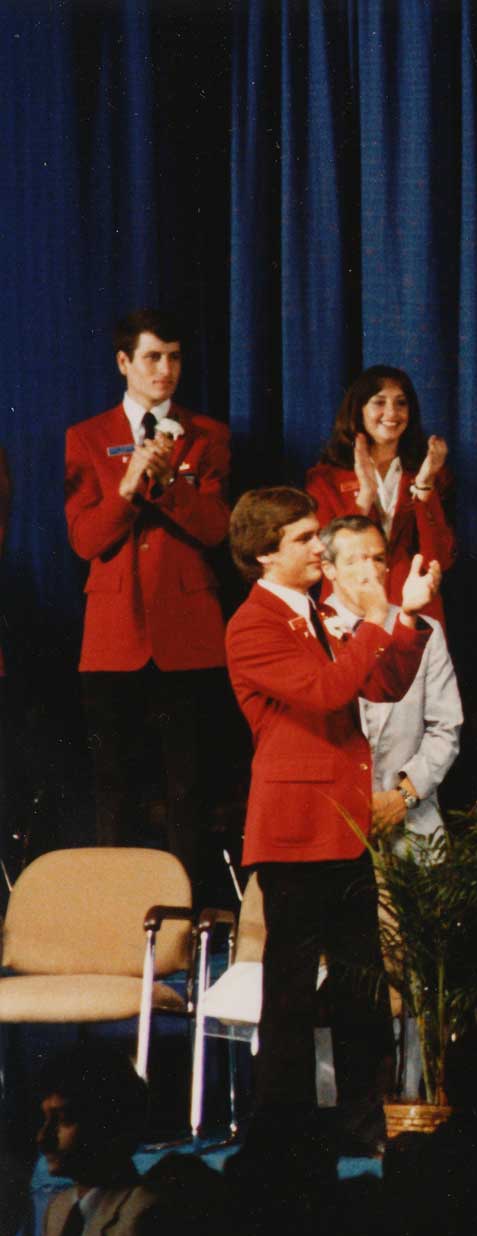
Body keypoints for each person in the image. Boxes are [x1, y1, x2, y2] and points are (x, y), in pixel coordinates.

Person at [224, 487, 437, 1151]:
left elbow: (384, 685)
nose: (320, 548)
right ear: (264, 555)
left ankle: (359, 1121)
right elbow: (326, 692)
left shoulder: (315, 615)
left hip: (342, 824)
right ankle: (281, 1134)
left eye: (318, 534)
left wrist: (402, 615)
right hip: (292, 827)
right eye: (304, 539)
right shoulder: (252, 625)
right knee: (289, 991)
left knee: (361, 986)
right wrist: (374, 619)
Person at [64, 308, 230, 885]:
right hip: (115, 640)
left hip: (189, 637)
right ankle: (116, 920)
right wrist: (129, 489)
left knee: (189, 789)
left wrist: (163, 489)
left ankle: (184, 918)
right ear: (124, 362)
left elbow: (215, 529)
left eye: (175, 357)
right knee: (115, 788)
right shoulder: (86, 438)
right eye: (154, 357)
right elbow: (86, 540)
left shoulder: (209, 436)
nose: (166, 369)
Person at [32, 1043, 198, 1236]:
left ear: (109, 1122)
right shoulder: (59, 1210)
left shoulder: (145, 1216)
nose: (43, 1137)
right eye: (44, 1118)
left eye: (64, 1118)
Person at [318, 515, 462, 844]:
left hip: (413, 820)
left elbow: (446, 726)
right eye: (355, 560)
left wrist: (402, 797)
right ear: (329, 569)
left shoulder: (423, 628)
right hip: (335, 824)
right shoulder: (310, 629)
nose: (370, 570)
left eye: (378, 558)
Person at [305, 366, 456, 620]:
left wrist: (424, 486)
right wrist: (365, 495)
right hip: (349, 608)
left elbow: (439, 559)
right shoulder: (325, 479)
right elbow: (326, 555)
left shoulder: (431, 472)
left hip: (414, 608)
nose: (392, 413)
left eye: (401, 403)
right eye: (379, 402)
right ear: (359, 410)